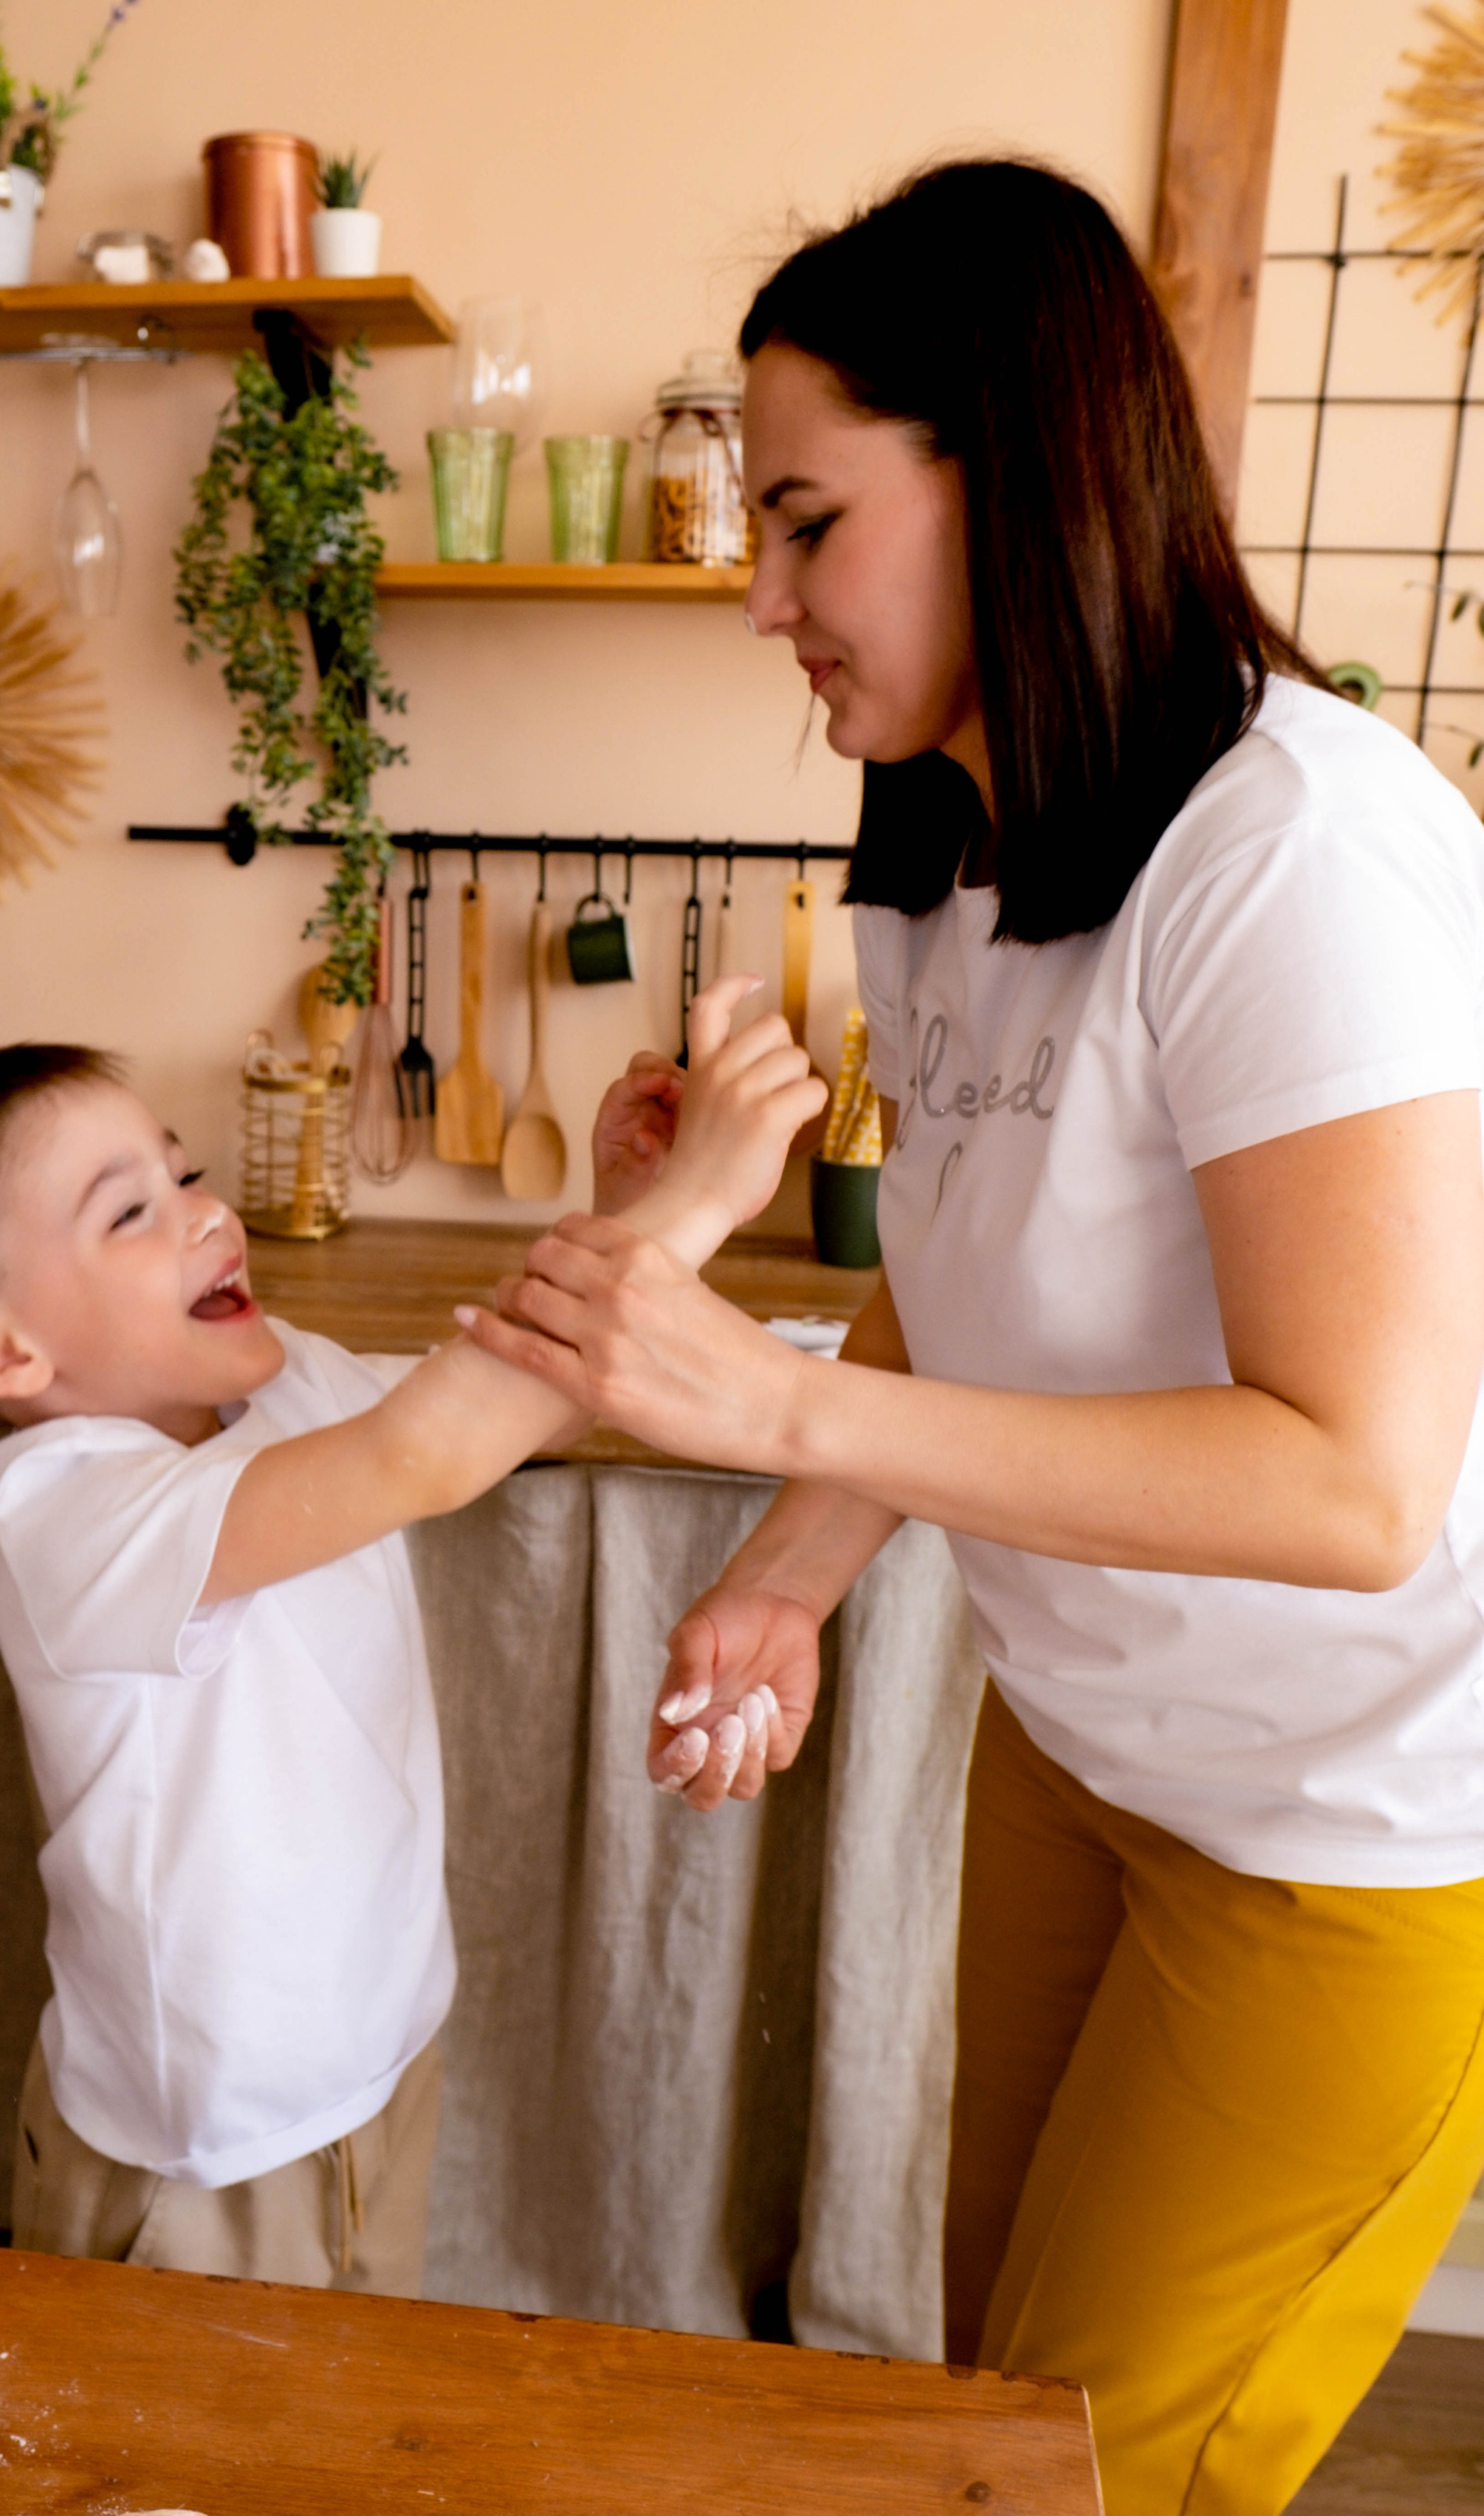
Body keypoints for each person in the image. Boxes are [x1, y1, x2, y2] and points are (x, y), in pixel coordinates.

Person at [460, 160, 1484, 2516]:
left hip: (1348, 1829)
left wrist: (774, 1397)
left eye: (806, 522)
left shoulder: (1290, 853)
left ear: (1005, 467)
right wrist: (789, 1568)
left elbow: (1356, 1482)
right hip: (1092, 1752)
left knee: (1099, 2477)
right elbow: (984, 1267)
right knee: (977, 2416)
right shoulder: (950, 854)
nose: (759, 600)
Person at [0, 981, 822, 2297]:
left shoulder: (279, 1376)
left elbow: (510, 1410)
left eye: (182, 1174)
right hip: (205, 2158)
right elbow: (431, 1451)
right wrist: (697, 1204)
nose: (206, 1212)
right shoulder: (70, 1514)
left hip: (376, 2060)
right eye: (131, 1212)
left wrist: (626, 1216)